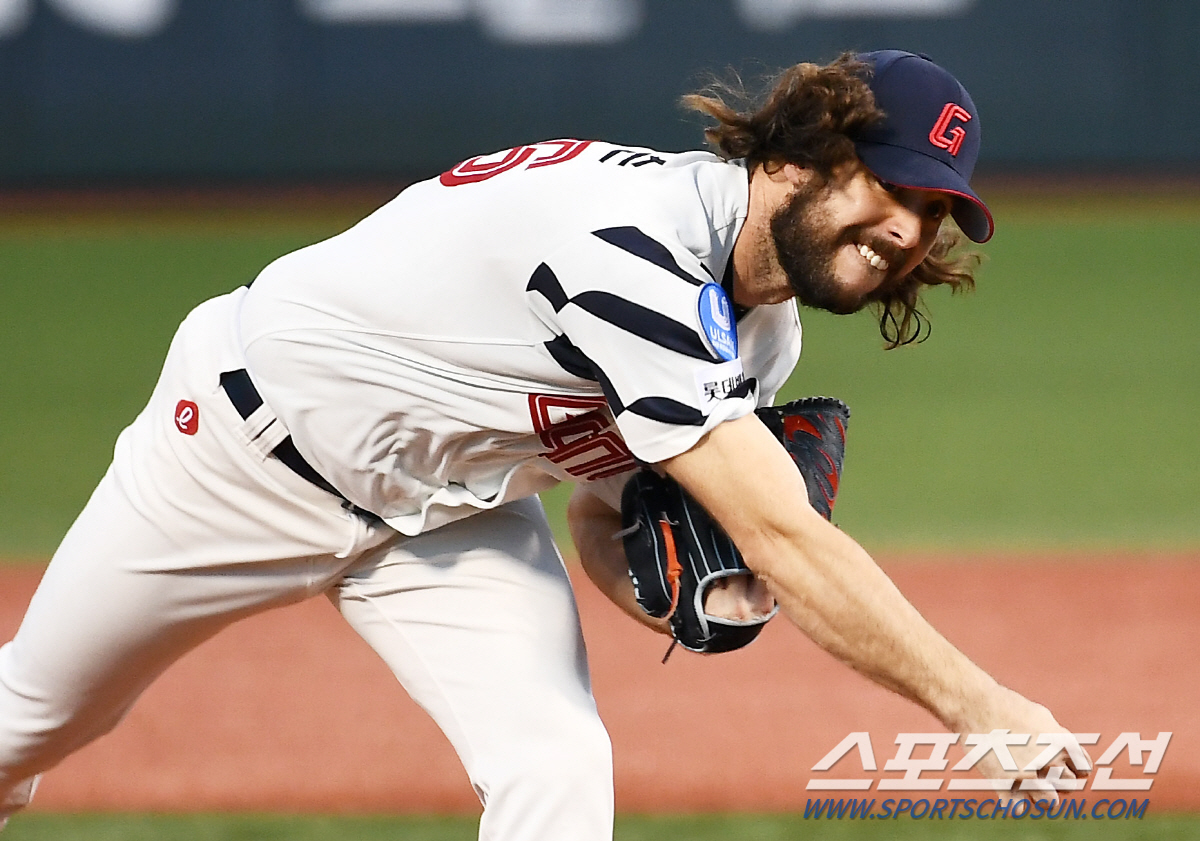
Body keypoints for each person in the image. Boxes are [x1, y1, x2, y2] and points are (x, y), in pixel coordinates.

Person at [0, 50, 1087, 838]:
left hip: (447, 514)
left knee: (555, 764)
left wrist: (685, 596)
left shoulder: (766, 334)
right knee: (32, 725)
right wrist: (981, 707)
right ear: (801, 155)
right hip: (238, 453)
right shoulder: (635, 254)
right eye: (892, 185)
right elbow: (789, 538)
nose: (909, 229)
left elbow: (598, 508)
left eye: (936, 211)